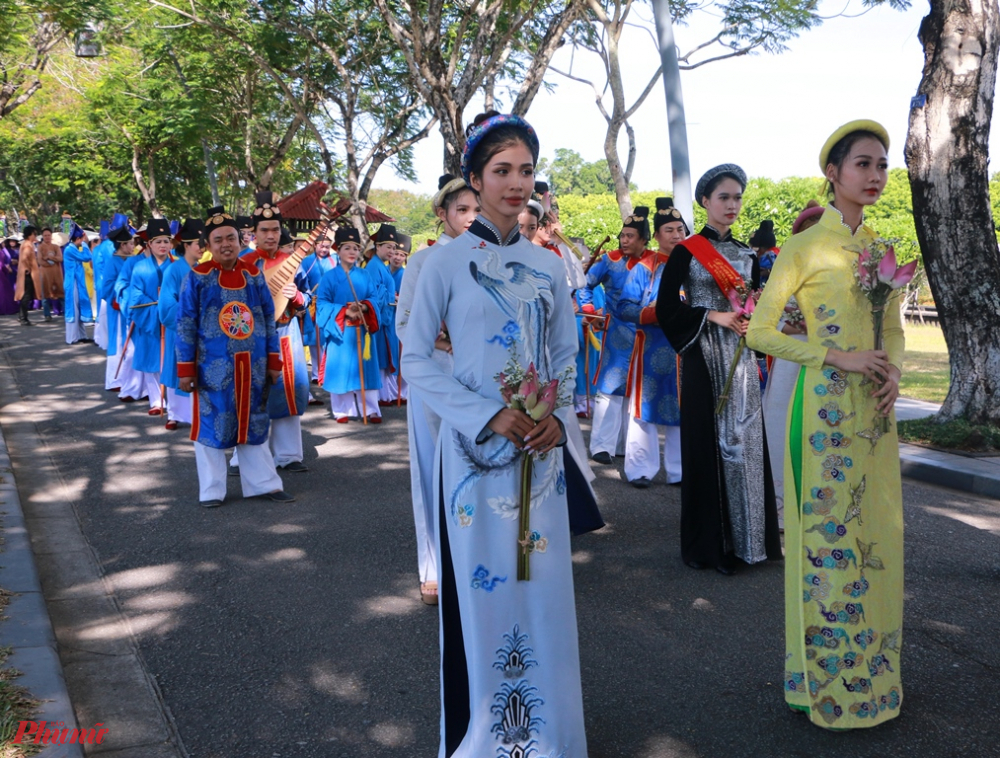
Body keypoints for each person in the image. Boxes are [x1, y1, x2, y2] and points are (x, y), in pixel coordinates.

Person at [401, 112, 594, 758]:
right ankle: (487, 740)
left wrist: (556, 417)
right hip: (470, 460)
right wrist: (485, 415)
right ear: (475, 180)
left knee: (543, 595)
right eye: (502, 171)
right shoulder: (444, 265)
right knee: (482, 595)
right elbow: (415, 357)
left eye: (526, 171)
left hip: (540, 461)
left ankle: (550, 738)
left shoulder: (546, 267)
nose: (517, 183)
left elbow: (566, 354)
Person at [747, 121, 904, 729]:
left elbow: (889, 327)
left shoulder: (880, 251)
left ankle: (875, 679)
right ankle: (822, 683)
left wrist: (892, 373)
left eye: (882, 165)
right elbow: (760, 330)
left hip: (876, 414)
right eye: (863, 164)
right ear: (833, 174)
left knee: (877, 540)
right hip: (821, 415)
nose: (875, 175)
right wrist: (834, 356)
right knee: (827, 546)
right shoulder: (804, 247)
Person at [656, 163, 782, 575]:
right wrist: (715, 317)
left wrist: (753, 318)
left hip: (741, 360)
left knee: (744, 440)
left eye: (737, 197)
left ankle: (751, 541)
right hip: (702, 358)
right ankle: (711, 546)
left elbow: (754, 306)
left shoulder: (749, 255)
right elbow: (668, 309)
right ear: (705, 202)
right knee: (708, 444)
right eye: (723, 197)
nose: (732, 204)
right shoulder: (688, 253)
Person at [396, 174, 479, 606]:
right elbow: (406, 326)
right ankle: (433, 567)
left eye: (476, 210)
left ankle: (479, 562)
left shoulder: (492, 256)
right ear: (441, 214)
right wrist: (447, 341)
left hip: (483, 380)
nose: (470, 219)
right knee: (433, 469)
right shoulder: (423, 262)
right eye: (461, 210)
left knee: (480, 468)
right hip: (434, 375)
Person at [176, 206, 293, 508]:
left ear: (240, 240)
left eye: (231, 238)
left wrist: (273, 360)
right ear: (208, 246)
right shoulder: (197, 278)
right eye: (218, 240)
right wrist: (186, 369)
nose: (226, 244)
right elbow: (186, 324)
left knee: (255, 424)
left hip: (252, 368)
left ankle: (264, 485)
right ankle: (212, 491)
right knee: (211, 427)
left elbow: (268, 318)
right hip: (212, 370)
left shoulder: (253, 275)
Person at [617, 197, 684, 488]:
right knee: (643, 411)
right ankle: (640, 469)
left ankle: (680, 471)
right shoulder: (644, 267)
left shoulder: (694, 266)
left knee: (684, 411)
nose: (676, 235)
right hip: (650, 350)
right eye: (669, 230)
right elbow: (625, 307)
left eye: (680, 229)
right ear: (656, 236)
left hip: (684, 350)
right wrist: (656, 312)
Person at [580, 207, 656, 464]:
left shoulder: (655, 263)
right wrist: (591, 313)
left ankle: (625, 446)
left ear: (644, 239)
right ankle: (602, 446)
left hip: (647, 336)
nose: (624, 240)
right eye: (623, 235)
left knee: (637, 392)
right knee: (610, 390)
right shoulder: (609, 260)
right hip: (616, 334)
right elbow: (585, 286)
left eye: (630, 236)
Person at [241, 193, 310, 472]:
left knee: (288, 389)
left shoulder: (292, 262)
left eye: (275, 230)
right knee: (249, 394)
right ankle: (242, 455)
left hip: (285, 332)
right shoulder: (243, 262)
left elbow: (307, 299)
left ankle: (289, 455)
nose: (270, 235)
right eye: (264, 230)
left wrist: (296, 298)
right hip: (252, 337)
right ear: (254, 233)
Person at [315, 226, 382, 423]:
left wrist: (365, 306)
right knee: (340, 370)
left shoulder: (364, 275)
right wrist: (345, 311)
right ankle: (342, 410)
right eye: (347, 248)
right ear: (338, 250)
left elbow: (374, 298)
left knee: (367, 370)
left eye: (356, 248)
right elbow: (322, 304)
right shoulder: (329, 277)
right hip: (341, 330)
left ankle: (371, 409)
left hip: (362, 330)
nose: (352, 252)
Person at [158, 219, 204, 430]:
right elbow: (167, 306)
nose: (202, 247)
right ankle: (174, 413)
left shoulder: (203, 270)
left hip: (199, 331)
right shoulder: (173, 270)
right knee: (177, 368)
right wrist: (190, 317)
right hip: (180, 330)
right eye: (198, 243)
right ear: (186, 245)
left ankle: (195, 413)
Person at [126, 219, 175, 414]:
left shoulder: (177, 266)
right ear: (149, 245)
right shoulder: (140, 267)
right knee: (150, 361)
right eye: (158, 242)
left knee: (171, 361)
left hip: (171, 322)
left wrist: (170, 309)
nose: (163, 245)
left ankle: (173, 405)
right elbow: (136, 294)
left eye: (166, 241)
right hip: (148, 321)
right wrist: (156, 309)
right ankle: (156, 401)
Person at [365, 224, 402, 406]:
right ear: (377, 246)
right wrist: (390, 297)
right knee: (380, 355)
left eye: (394, 248)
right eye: (388, 246)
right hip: (379, 317)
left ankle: (387, 394)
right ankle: (380, 395)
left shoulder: (382, 266)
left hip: (387, 315)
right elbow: (373, 293)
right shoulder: (374, 266)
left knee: (387, 356)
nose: (392, 251)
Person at [300, 229, 337, 388]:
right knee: (315, 341)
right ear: (315, 245)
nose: (324, 249)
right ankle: (316, 373)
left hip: (331, 305)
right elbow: (301, 283)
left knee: (330, 338)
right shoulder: (307, 261)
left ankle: (329, 371)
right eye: (321, 246)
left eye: (327, 247)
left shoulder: (335, 260)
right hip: (314, 304)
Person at [63, 227, 94, 344]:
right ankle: (71, 338)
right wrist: (86, 245)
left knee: (79, 308)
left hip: (77, 282)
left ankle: (81, 336)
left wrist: (84, 244)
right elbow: (86, 257)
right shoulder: (70, 249)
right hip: (72, 283)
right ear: (77, 239)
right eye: (81, 239)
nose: (82, 241)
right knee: (73, 310)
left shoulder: (73, 248)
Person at [14, 227, 41, 326]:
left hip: (26, 272)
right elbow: (25, 258)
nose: (35, 236)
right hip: (27, 273)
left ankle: (22, 316)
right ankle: (23, 318)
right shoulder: (28, 244)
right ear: (30, 234)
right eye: (34, 234)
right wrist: (28, 268)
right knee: (26, 295)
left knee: (26, 295)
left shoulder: (26, 244)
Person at [37, 228, 64, 319]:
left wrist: (49, 257)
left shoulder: (56, 247)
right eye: (45, 235)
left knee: (61, 293)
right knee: (45, 295)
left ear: (51, 236)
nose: (47, 237)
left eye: (48, 235)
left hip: (57, 273)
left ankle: (66, 313)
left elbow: (60, 258)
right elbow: (40, 261)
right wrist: (50, 262)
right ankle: (47, 315)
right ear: (42, 237)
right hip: (45, 274)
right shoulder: (40, 247)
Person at [0, 238, 18, 315]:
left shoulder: (3, 252)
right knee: (4, 292)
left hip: (5, 271)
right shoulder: (2, 252)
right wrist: (6, 269)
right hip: (2, 273)